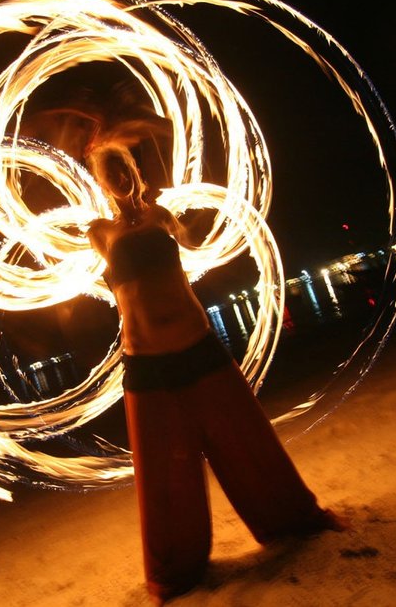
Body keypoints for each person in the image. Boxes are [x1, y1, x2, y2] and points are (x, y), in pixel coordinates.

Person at [74, 93, 344, 604]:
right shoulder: (100, 233)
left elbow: (198, 237)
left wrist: (158, 127)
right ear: (101, 183)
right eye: (109, 173)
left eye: (125, 169)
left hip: (198, 347)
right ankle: (176, 569)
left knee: (247, 442)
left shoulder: (162, 217)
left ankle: (293, 520)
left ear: (137, 171)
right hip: (147, 363)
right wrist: (100, 139)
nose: (119, 179)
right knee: (164, 475)